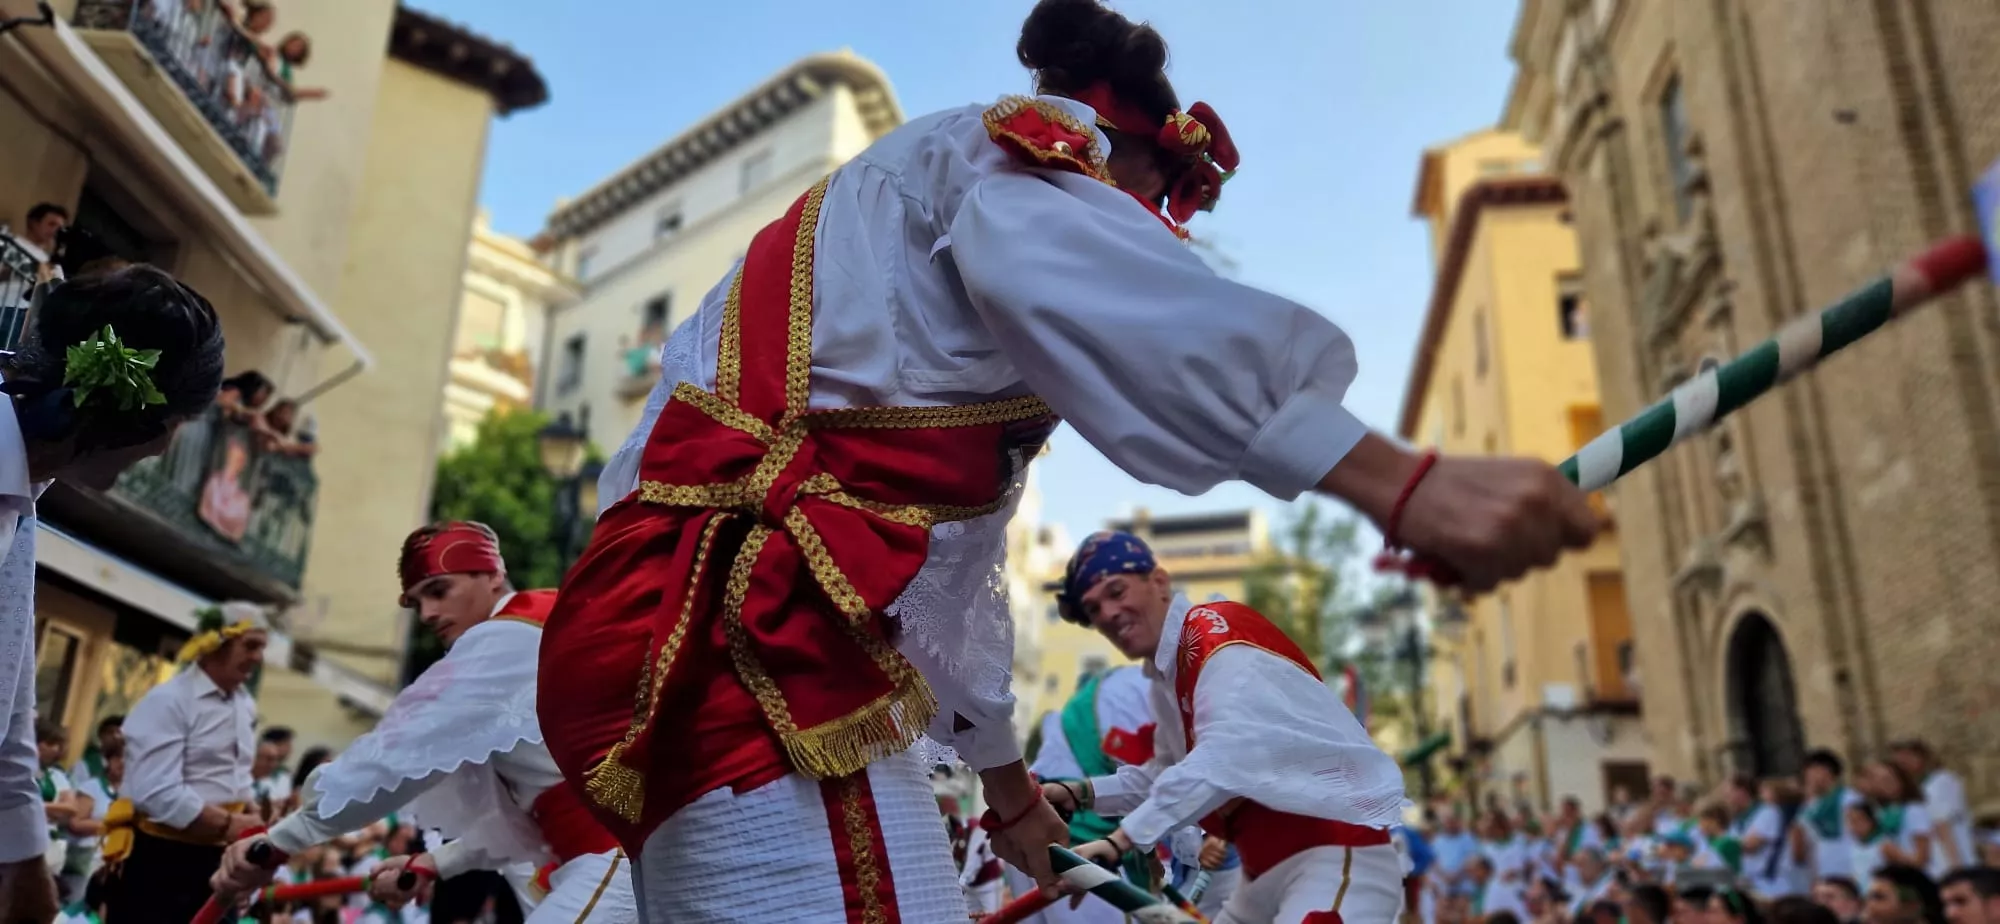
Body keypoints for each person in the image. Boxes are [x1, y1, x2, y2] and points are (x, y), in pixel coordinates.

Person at [534, 1, 1602, 920]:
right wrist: (1396, 484)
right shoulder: (1012, 159)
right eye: (1151, 202)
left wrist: (1009, 800)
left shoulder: (907, 299)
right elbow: (1125, 304)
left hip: (736, 627)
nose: (1145, 232)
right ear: (1114, 152)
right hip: (749, 631)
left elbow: (948, 582)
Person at [211, 521, 637, 922]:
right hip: (622, 854)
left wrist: (279, 842)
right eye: (417, 603)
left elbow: (396, 756)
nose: (429, 613)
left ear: (491, 575)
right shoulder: (540, 619)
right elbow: (534, 811)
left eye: (439, 590)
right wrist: (435, 862)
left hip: (615, 854)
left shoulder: (503, 639)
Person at [0, 264, 225, 922]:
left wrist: (29, 890)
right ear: (136, 420)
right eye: (181, 422)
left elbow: (10, 735)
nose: (167, 450)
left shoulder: (21, 507)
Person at [1037, 530, 1406, 924]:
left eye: (1117, 591)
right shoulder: (1168, 670)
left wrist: (1119, 842)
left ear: (1159, 582)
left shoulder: (1214, 636)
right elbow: (1166, 775)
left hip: (1334, 854)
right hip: (1263, 875)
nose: (1107, 614)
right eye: (1093, 609)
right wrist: (1079, 793)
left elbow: (1222, 758)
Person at [100, 602, 268, 922]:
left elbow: (238, 775)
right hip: (163, 860)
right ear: (214, 643)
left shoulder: (245, 703)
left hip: (219, 857)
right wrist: (230, 825)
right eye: (250, 646)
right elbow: (156, 790)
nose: (258, 658)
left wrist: (255, 824)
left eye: (262, 648)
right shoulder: (169, 700)